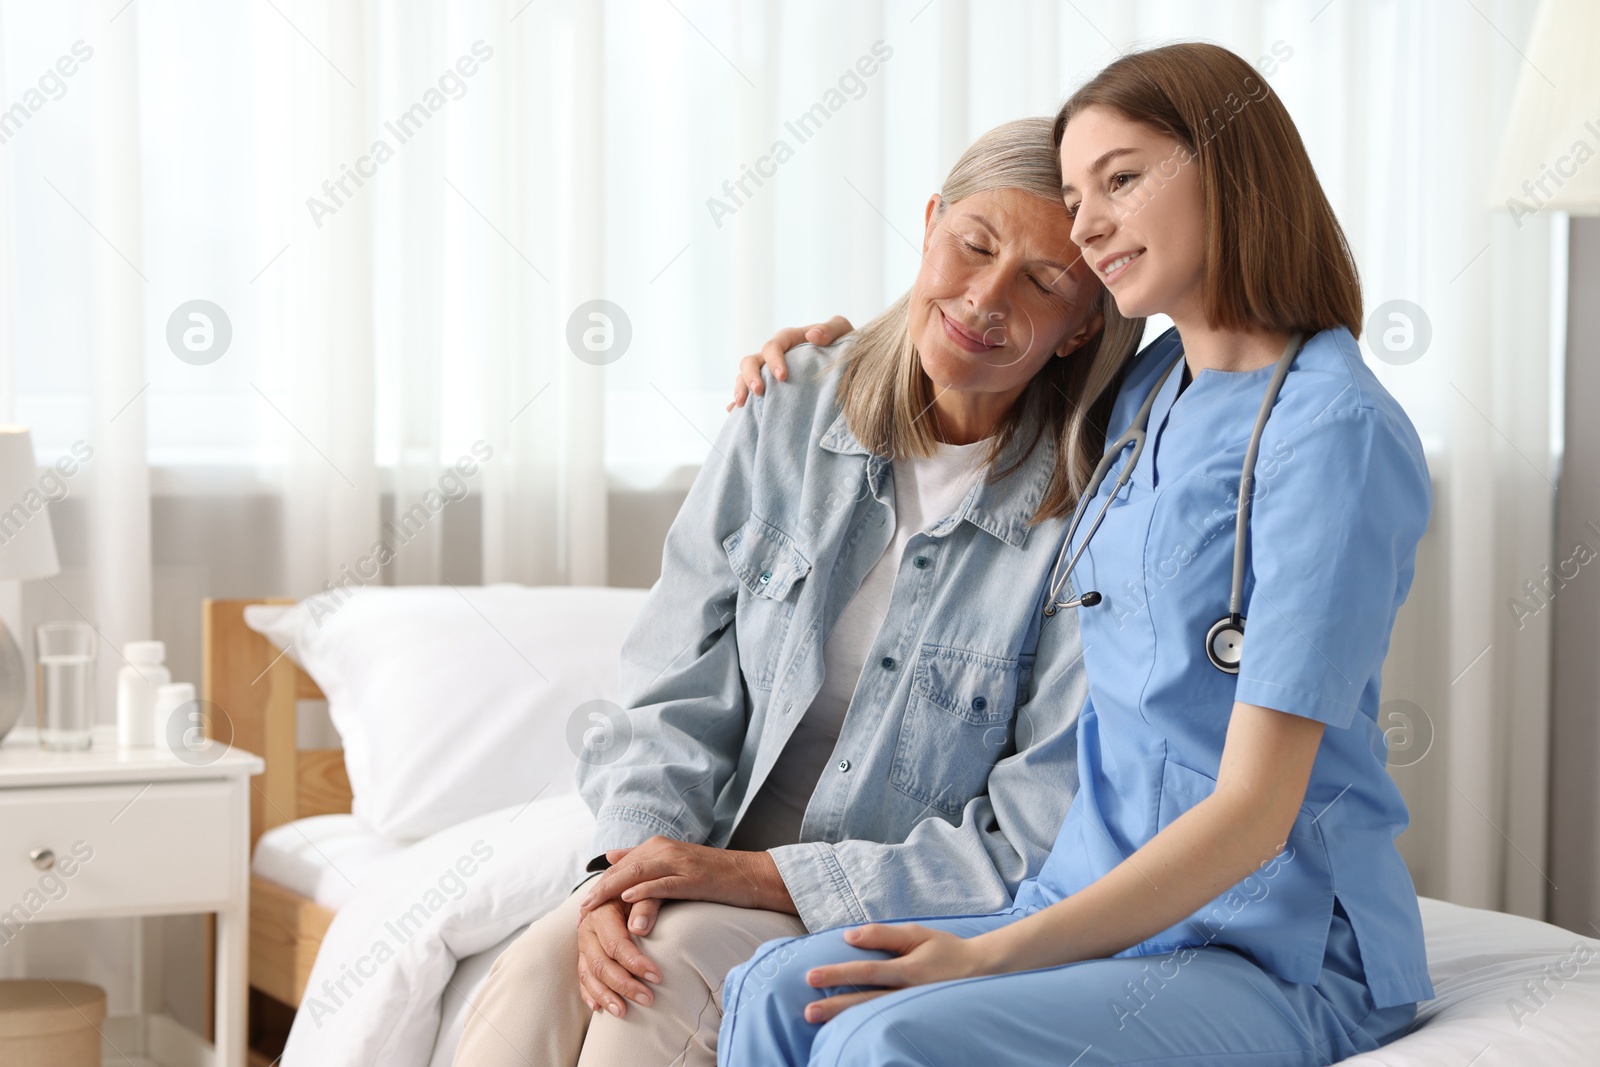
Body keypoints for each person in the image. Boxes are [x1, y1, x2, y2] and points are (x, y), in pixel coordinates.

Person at [717, 42, 1434, 1066]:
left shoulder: (1333, 430)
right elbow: (977, 370)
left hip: (1265, 943)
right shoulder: (1143, 392)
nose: (1087, 222)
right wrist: (827, 360)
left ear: (1230, 172)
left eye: (1121, 179)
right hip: (1095, 891)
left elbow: (1252, 814)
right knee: (781, 987)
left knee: (885, 1037)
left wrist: (997, 954)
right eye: (1072, 191)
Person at [451, 118, 1145, 1067]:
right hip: (705, 846)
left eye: (1044, 281)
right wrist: (631, 871)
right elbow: (672, 689)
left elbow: (1029, 832)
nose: (985, 297)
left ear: (1084, 327)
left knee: (659, 974)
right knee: (542, 965)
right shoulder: (785, 407)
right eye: (974, 245)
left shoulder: (1088, 516)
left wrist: (750, 880)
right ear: (932, 221)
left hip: (885, 892)